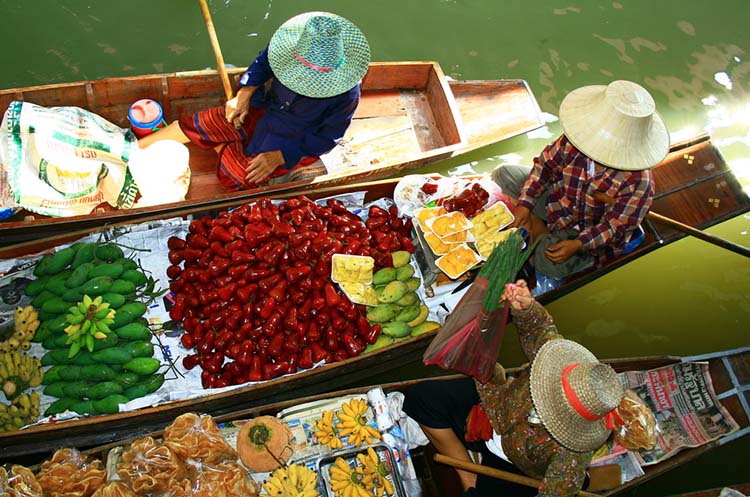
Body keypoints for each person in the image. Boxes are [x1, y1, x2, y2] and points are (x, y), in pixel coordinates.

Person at [403, 280, 655, 497]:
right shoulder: (561, 366)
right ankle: (468, 473)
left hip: (513, 463)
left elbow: (557, 491)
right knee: (421, 399)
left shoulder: (572, 455)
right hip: (495, 408)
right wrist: (526, 308)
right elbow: (541, 331)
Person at [138, 11, 370, 189]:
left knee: (235, 176)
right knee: (201, 122)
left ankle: (225, 146)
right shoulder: (291, 46)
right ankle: (135, 149)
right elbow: (263, 63)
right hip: (263, 109)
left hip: (290, 139)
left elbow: (327, 137)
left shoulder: (346, 94)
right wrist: (244, 94)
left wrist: (280, 155)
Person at [491, 80, 669, 282]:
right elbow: (544, 168)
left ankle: (543, 235)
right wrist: (525, 203)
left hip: (587, 234)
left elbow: (613, 227)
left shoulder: (639, 182)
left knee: (546, 262)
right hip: (558, 205)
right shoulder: (576, 141)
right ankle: (538, 227)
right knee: (503, 174)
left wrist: (579, 244)